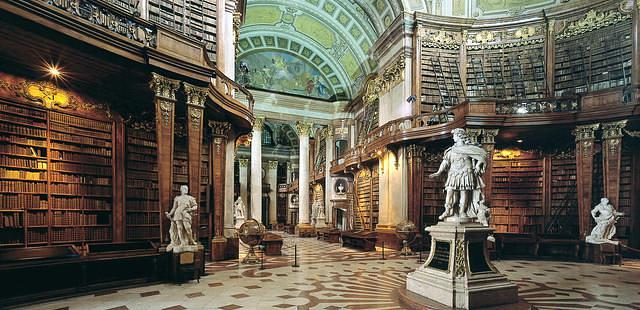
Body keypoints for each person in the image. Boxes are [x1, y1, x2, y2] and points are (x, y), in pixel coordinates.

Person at [429, 128, 487, 220]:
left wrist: (478, 166)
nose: (453, 138)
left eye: (454, 136)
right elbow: (445, 162)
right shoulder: (451, 150)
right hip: (453, 173)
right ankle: (447, 210)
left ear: (460, 136)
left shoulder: (469, 148)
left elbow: (482, 155)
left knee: (464, 192)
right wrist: (438, 172)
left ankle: (462, 212)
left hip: (466, 172)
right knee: (449, 191)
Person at [166, 185, 198, 250]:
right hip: (178, 213)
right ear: (181, 190)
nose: (186, 190)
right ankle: (182, 242)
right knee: (179, 228)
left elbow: (195, 206)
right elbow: (174, 208)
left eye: (187, 188)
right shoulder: (177, 198)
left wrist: (190, 209)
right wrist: (170, 214)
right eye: (184, 188)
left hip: (186, 213)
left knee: (188, 228)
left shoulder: (191, 198)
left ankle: (191, 240)